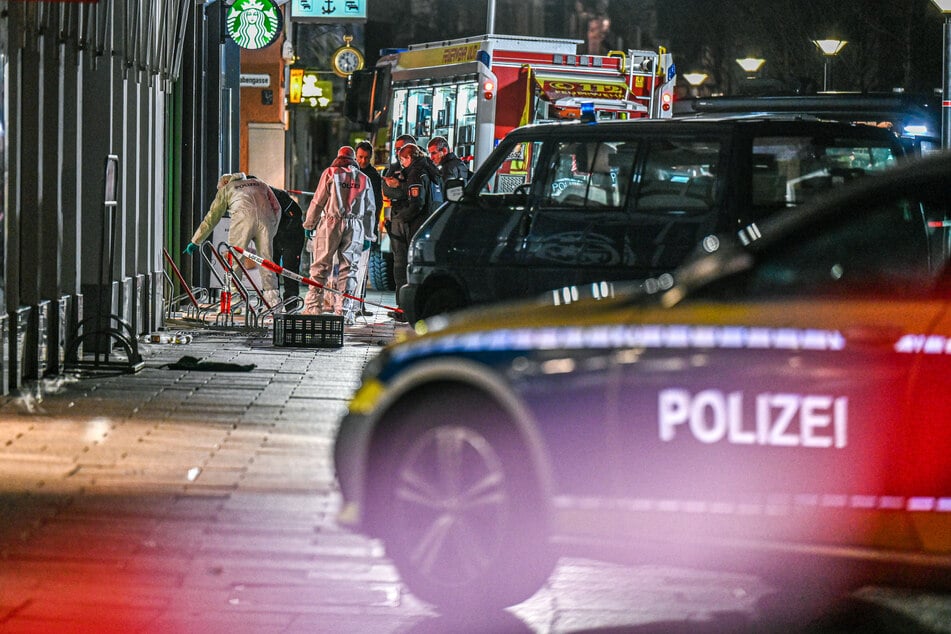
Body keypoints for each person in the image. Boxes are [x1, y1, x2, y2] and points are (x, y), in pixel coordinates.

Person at [184, 172, 281, 308]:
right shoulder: (260, 183)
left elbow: (212, 217)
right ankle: (273, 301)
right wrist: (272, 229)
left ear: (224, 182)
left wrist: (196, 240)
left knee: (234, 260)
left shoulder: (227, 188)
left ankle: (235, 301)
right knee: (266, 260)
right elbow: (277, 207)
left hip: (242, 220)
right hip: (266, 221)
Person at [302, 146, 376, 324]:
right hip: (355, 226)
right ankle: (344, 311)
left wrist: (309, 223)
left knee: (320, 266)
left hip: (331, 223)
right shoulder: (363, 178)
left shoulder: (331, 173)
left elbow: (318, 200)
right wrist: (368, 235)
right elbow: (369, 209)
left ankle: (313, 308)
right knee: (348, 269)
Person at [388, 142, 439, 322]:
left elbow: (417, 202)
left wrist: (402, 217)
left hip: (415, 225)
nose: (401, 163)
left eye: (403, 159)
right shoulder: (428, 168)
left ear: (409, 157)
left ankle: (406, 310)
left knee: (406, 267)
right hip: (426, 224)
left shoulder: (416, 173)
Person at [269, 185, 306, 305]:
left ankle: (291, 303)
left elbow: (297, 213)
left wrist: (282, 232)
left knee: (289, 268)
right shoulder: (255, 196)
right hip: (275, 233)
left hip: (292, 234)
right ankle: (272, 302)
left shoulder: (278, 195)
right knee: (270, 269)